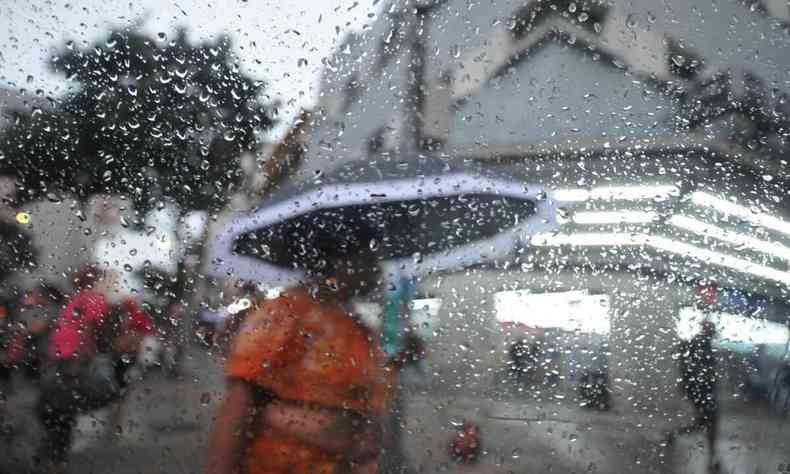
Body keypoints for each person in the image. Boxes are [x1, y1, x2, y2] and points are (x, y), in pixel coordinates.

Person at [207, 230, 392, 474]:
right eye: (369, 259)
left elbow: (369, 409)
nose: (377, 269)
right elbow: (239, 405)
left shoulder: (361, 330)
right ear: (340, 261)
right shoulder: (285, 312)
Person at [36, 266, 118, 472]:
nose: (77, 277)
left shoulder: (92, 298)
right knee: (53, 409)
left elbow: (89, 331)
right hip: (61, 359)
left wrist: (77, 363)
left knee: (60, 411)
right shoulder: (78, 297)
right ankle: (53, 455)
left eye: (83, 274)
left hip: (71, 361)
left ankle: (56, 461)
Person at [667, 320, 719, 472]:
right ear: (706, 329)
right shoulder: (699, 343)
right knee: (710, 422)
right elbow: (692, 367)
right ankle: (712, 456)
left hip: (702, 390)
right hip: (700, 390)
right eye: (712, 329)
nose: (713, 332)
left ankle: (673, 435)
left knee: (704, 422)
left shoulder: (703, 343)